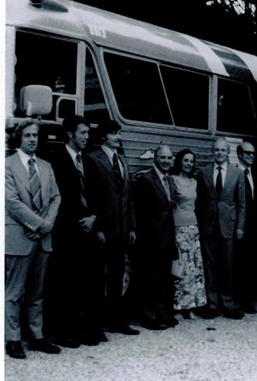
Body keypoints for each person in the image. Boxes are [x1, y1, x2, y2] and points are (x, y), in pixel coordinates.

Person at [5, 120, 62, 359]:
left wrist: (46, 225)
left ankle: (37, 336)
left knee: (37, 292)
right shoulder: (7, 165)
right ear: (19, 138)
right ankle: (13, 339)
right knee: (14, 291)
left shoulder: (46, 166)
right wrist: (38, 224)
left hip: (42, 237)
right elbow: (11, 201)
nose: (32, 139)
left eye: (35, 135)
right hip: (19, 235)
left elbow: (55, 197)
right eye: (27, 135)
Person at [47, 116, 105, 348]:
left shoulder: (89, 163)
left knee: (88, 281)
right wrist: (78, 221)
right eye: (82, 133)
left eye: (87, 133)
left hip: (89, 230)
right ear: (70, 134)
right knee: (66, 282)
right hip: (67, 232)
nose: (86, 137)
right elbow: (57, 198)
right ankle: (65, 332)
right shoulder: (56, 161)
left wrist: (94, 219)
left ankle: (88, 330)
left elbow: (100, 196)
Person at [85, 120, 139, 336]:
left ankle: (117, 321)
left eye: (119, 133)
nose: (118, 136)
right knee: (98, 277)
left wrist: (132, 227)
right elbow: (92, 197)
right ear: (104, 136)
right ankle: (97, 324)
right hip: (104, 230)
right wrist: (97, 227)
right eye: (114, 133)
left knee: (117, 275)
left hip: (122, 229)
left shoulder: (122, 160)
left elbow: (129, 199)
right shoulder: (92, 159)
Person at [195, 137, 246, 320]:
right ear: (212, 151)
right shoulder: (203, 173)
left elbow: (241, 203)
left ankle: (229, 304)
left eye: (223, 150)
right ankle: (212, 304)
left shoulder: (236, 173)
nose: (219, 153)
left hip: (229, 227)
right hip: (208, 226)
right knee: (210, 265)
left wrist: (240, 226)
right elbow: (199, 202)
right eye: (216, 150)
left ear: (228, 152)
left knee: (228, 266)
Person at [133, 145, 178, 330]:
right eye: (163, 158)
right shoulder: (146, 179)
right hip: (151, 239)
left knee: (163, 278)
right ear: (155, 158)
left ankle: (161, 313)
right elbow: (140, 211)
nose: (166, 161)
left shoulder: (169, 180)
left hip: (167, 238)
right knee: (150, 278)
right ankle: (149, 316)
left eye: (169, 158)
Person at [170, 149, 207, 319]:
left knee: (193, 269)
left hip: (193, 227)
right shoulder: (172, 180)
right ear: (179, 161)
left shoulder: (194, 182)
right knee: (180, 268)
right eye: (185, 160)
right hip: (178, 227)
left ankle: (191, 305)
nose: (188, 164)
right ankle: (177, 307)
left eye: (191, 161)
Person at [233, 141, 257, 314]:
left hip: (253, 226)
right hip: (237, 225)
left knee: (250, 263)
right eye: (247, 153)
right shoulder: (233, 172)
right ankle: (235, 299)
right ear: (239, 155)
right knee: (237, 262)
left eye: (253, 153)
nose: (251, 156)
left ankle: (247, 300)